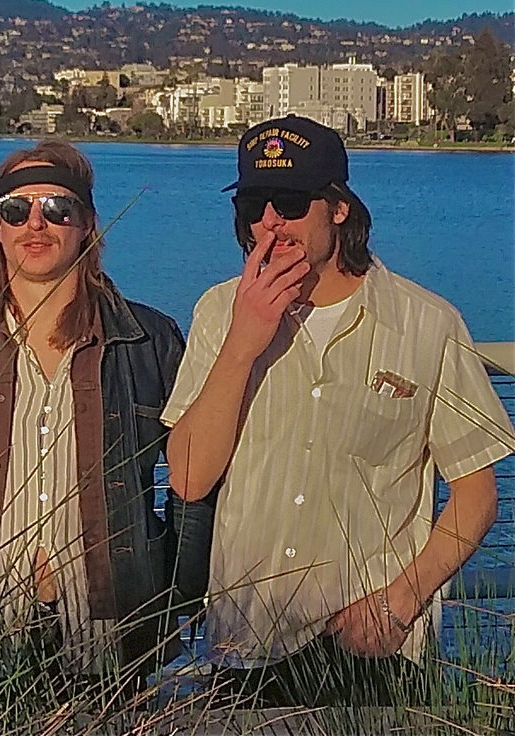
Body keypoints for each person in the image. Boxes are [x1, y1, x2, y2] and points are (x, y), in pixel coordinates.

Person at [163, 115, 515, 706]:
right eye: (253, 204)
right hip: (243, 647)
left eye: (291, 202)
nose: (270, 221)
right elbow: (189, 477)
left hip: (373, 654)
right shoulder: (219, 311)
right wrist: (242, 343)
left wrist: (402, 601)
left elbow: (477, 494)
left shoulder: (427, 324)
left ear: (339, 209)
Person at [0, 140, 213, 688]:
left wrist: (180, 590)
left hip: (111, 628)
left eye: (58, 208)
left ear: (86, 224)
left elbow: (193, 475)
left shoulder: (147, 339)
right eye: (16, 209)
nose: (35, 224)